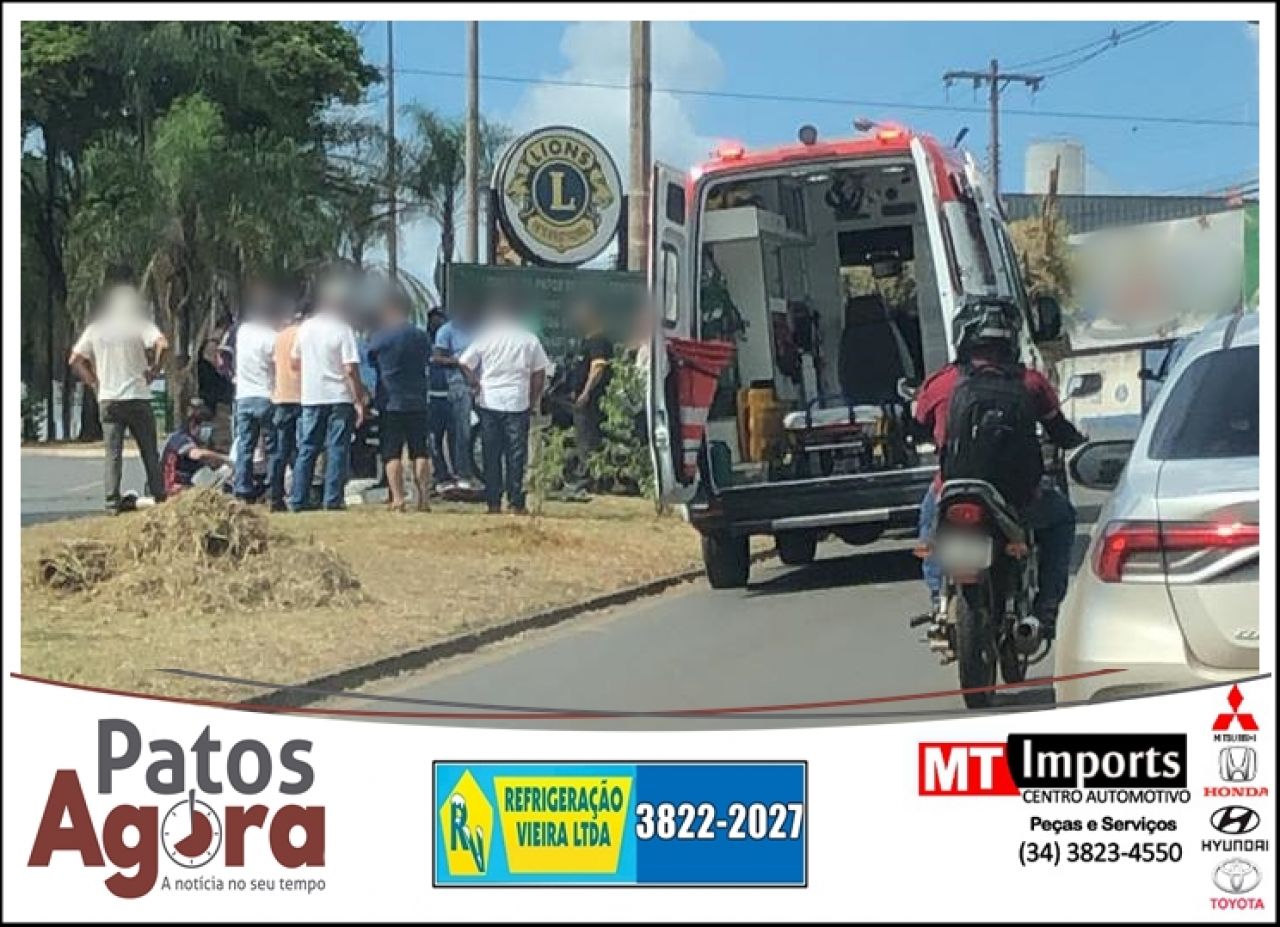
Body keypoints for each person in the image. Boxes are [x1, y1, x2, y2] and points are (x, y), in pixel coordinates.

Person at [913, 299, 1085, 638]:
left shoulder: (940, 383)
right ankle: (1047, 604)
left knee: (928, 524)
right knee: (1062, 517)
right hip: (1019, 498)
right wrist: (1075, 440)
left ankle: (939, 602)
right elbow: (1060, 431)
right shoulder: (1031, 382)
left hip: (952, 490)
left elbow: (916, 427)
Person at [68, 266, 169, 514]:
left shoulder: (96, 329)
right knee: (148, 451)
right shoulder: (139, 325)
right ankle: (159, 497)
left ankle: (112, 502)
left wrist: (93, 382)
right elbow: (163, 344)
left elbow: (75, 359)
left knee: (113, 453)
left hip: (108, 398)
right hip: (137, 395)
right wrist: (154, 369)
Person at [458, 301, 550, 515]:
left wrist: (474, 383)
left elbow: (464, 362)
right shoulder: (529, 339)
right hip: (518, 402)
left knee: (492, 453)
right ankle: (516, 501)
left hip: (489, 401)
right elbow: (539, 372)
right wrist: (533, 398)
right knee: (516, 454)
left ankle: (493, 502)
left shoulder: (486, 337)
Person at [288, 270, 369, 512]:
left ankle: (298, 499)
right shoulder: (343, 329)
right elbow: (350, 368)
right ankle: (332, 499)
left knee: (308, 448)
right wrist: (359, 399)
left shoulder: (306, 328)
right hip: (338, 396)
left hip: (311, 396)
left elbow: (294, 361)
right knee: (337, 449)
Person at [367, 285, 434, 512]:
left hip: (390, 402)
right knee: (420, 451)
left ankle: (398, 498)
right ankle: (423, 499)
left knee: (391, 452)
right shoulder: (421, 336)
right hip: (417, 399)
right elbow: (428, 358)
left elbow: (371, 360)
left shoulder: (380, 337)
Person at [231, 282, 279, 501]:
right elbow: (276, 365)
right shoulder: (271, 336)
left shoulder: (243, 332)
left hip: (243, 395)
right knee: (272, 446)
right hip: (265, 394)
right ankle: (272, 486)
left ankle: (242, 487)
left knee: (245, 445)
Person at [567, 299, 614, 486]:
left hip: (591, 400)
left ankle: (591, 479)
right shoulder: (586, 340)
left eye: (581, 317)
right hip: (580, 397)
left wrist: (586, 392)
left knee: (589, 437)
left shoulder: (598, 340)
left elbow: (597, 368)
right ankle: (588, 474)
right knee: (582, 436)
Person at [433, 305, 477, 490]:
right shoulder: (446, 331)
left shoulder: (478, 330)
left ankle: (468, 472)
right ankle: (461, 474)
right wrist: (458, 362)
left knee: (470, 434)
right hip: (457, 385)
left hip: (479, 384)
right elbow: (437, 358)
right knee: (461, 431)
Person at [268, 293, 304, 512]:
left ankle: (275, 496)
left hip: (281, 397)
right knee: (302, 451)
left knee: (280, 451)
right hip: (301, 398)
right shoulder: (303, 335)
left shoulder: (278, 337)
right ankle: (301, 494)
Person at [161, 399, 233, 496]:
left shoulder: (193, 440)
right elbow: (197, 454)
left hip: (187, 482)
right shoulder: (180, 438)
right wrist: (225, 459)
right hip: (176, 486)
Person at [424, 308, 455, 489]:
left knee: (454, 438)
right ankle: (440, 472)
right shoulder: (423, 343)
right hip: (431, 398)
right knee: (433, 440)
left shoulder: (449, 343)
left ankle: (453, 472)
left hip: (449, 396)